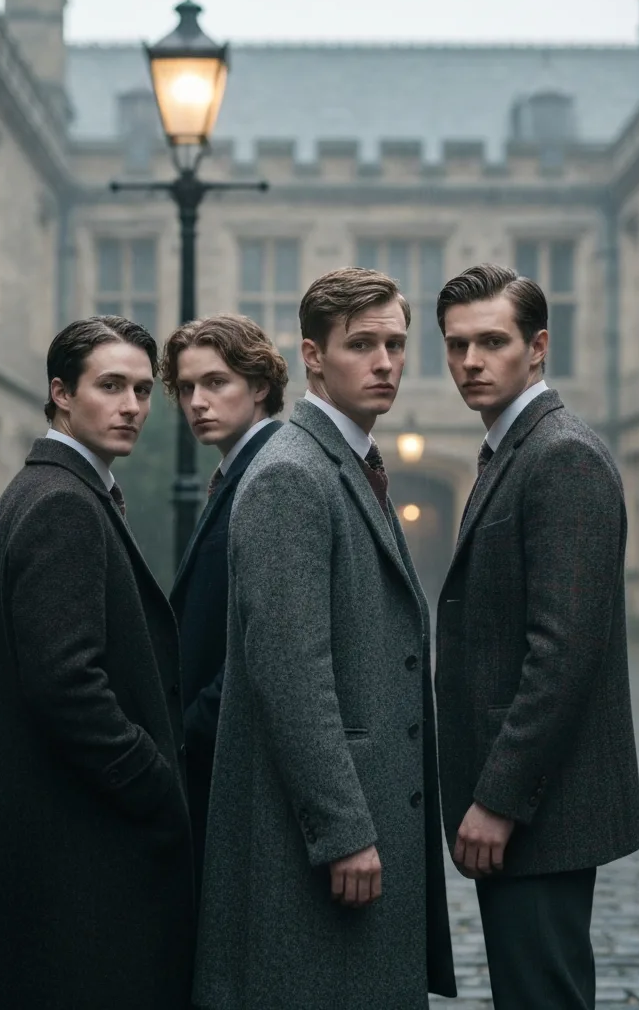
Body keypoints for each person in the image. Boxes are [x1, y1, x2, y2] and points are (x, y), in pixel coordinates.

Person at [193, 268, 456, 1010]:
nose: (385, 363)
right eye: (362, 344)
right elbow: (291, 672)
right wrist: (342, 830)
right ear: (313, 356)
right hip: (316, 844)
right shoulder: (291, 476)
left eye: (397, 344)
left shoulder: (347, 463)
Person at [0, 316, 194, 1010]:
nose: (132, 406)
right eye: (110, 386)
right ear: (60, 392)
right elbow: (65, 683)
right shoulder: (61, 504)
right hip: (74, 840)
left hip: (55, 833)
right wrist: (153, 784)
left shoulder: (51, 489)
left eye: (142, 390)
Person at [435, 264, 639, 1010]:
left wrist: (499, 799)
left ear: (539, 346)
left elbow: (562, 652)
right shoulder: (510, 450)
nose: (470, 362)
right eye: (457, 345)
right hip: (529, 808)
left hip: (542, 810)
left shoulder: (562, 456)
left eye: (492, 341)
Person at [162, 313, 286, 894]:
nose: (197, 402)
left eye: (216, 383)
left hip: (233, 758)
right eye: (187, 388)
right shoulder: (237, 470)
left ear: (260, 385)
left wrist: (188, 732)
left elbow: (267, 643)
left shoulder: (271, 474)